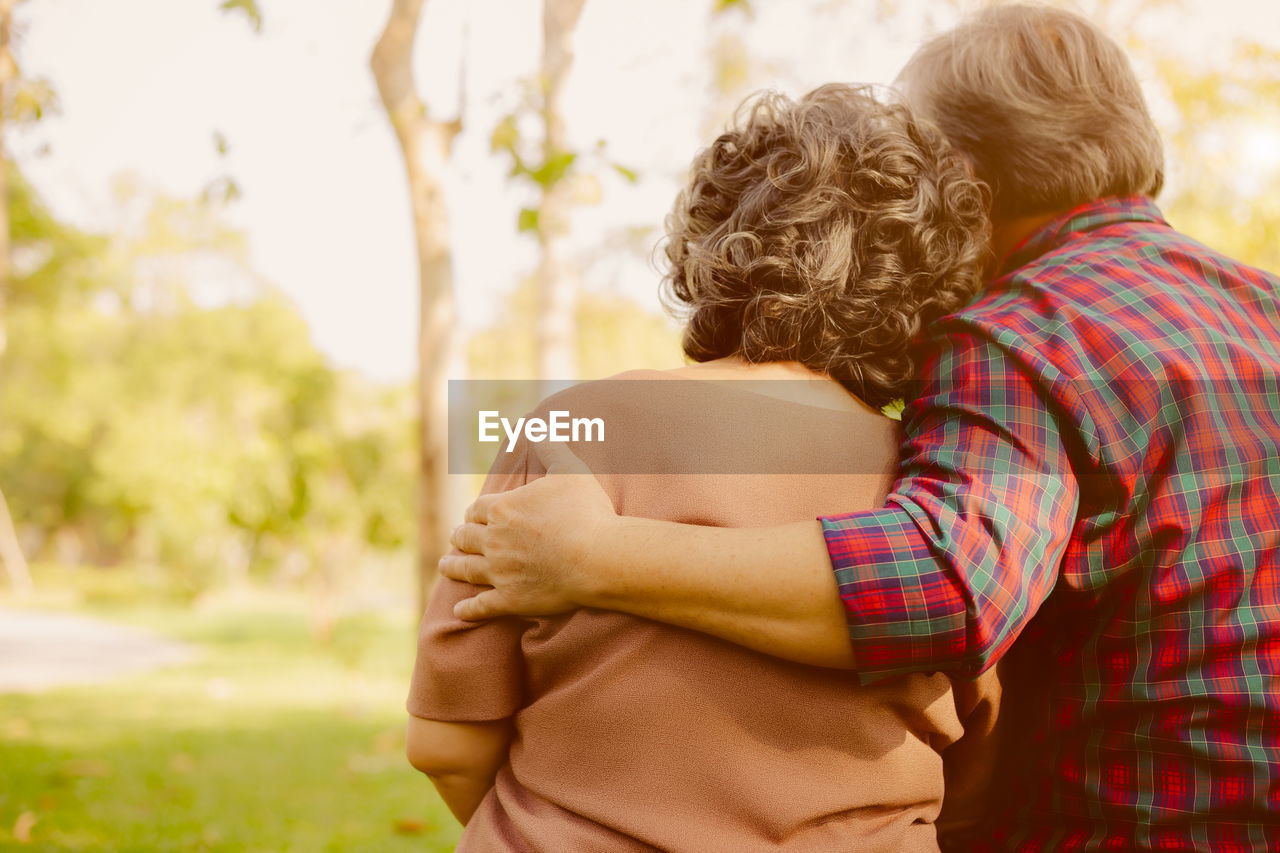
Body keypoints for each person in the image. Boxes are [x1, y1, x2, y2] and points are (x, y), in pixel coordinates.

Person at [442, 5, 1280, 850]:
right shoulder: (1265, 308)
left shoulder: (1016, 334)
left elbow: (948, 585)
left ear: (962, 185)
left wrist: (592, 558)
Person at [406, 84, 1001, 852]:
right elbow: (980, 750)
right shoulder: (932, 478)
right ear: (922, 291)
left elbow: (445, 744)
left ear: (713, 242)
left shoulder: (573, 427)